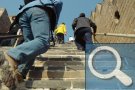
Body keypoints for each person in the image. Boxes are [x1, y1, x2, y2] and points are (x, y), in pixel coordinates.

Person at [0, 0, 63, 89]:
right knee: (43, 41)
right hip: (39, 11)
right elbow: (59, 2)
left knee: (31, 46)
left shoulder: (31, 2)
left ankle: (20, 73)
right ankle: (11, 56)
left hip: (23, 14)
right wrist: (54, 23)